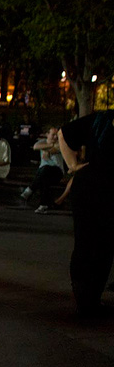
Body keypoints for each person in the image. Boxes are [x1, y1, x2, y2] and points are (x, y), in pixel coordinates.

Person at [58, 110, 114, 318]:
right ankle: (86, 299)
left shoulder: (101, 120)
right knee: (91, 244)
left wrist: (73, 165)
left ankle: (89, 299)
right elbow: (63, 134)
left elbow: (64, 134)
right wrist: (72, 165)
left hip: (94, 187)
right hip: (92, 189)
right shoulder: (101, 120)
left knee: (98, 245)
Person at [20, 127, 65, 214]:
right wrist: (50, 145)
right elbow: (35, 147)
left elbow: (56, 149)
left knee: (45, 169)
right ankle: (43, 206)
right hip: (43, 172)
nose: (55, 137)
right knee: (44, 178)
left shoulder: (60, 143)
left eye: (57, 135)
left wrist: (47, 149)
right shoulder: (42, 142)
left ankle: (30, 189)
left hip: (57, 172)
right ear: (47, 134)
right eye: (53, 135)